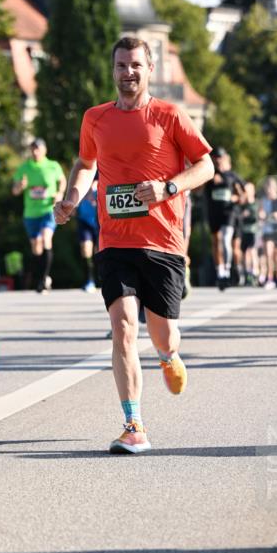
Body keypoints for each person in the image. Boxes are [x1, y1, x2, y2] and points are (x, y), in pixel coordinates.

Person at [54, 36, 213, 453]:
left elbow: (206, 164)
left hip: (162, 241)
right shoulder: (95, 118)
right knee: (123, 327)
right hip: (114, 241)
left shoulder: (169, 115)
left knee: (163, 336)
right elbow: (87, 163)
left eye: (136, 66)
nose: (129, 73)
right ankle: (133, 423)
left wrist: (168, 187)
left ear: (149, 69)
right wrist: (72, 196)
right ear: (113, 70)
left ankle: (167, 357)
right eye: (122, 65)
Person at [13, 139, 66, 293]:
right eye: (32, 149)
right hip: (31, 213)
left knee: (45, 238)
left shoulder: (53, 166)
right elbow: (15, 191)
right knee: (36, 246)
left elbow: (62, 181)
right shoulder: (24, 168)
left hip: (48, 210)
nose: (35, 152)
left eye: (38, 149)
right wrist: (20, 186)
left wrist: (60, 193)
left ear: (45, 150)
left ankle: (43, 279)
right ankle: (41, 277)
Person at [205, 147, 245, 290]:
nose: (218, 160)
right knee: (216, 242)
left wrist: (236, 197)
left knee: (226, 239)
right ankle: (220, 272)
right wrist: (208, 179)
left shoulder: (233, 176)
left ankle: (228, 270)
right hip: (213, 212)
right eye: (215, 158)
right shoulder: (208, 174)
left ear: (225, 159)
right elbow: (197, 188)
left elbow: (244, 195)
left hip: (230, 213)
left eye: (220, 158)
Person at [75, 173, 99, 292]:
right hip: (84, 220)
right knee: (86, 250)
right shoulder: (83, 169)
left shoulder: (104, 168)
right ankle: (89, 280)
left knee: (99, 252)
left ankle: (102, 279)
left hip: (100, 220)